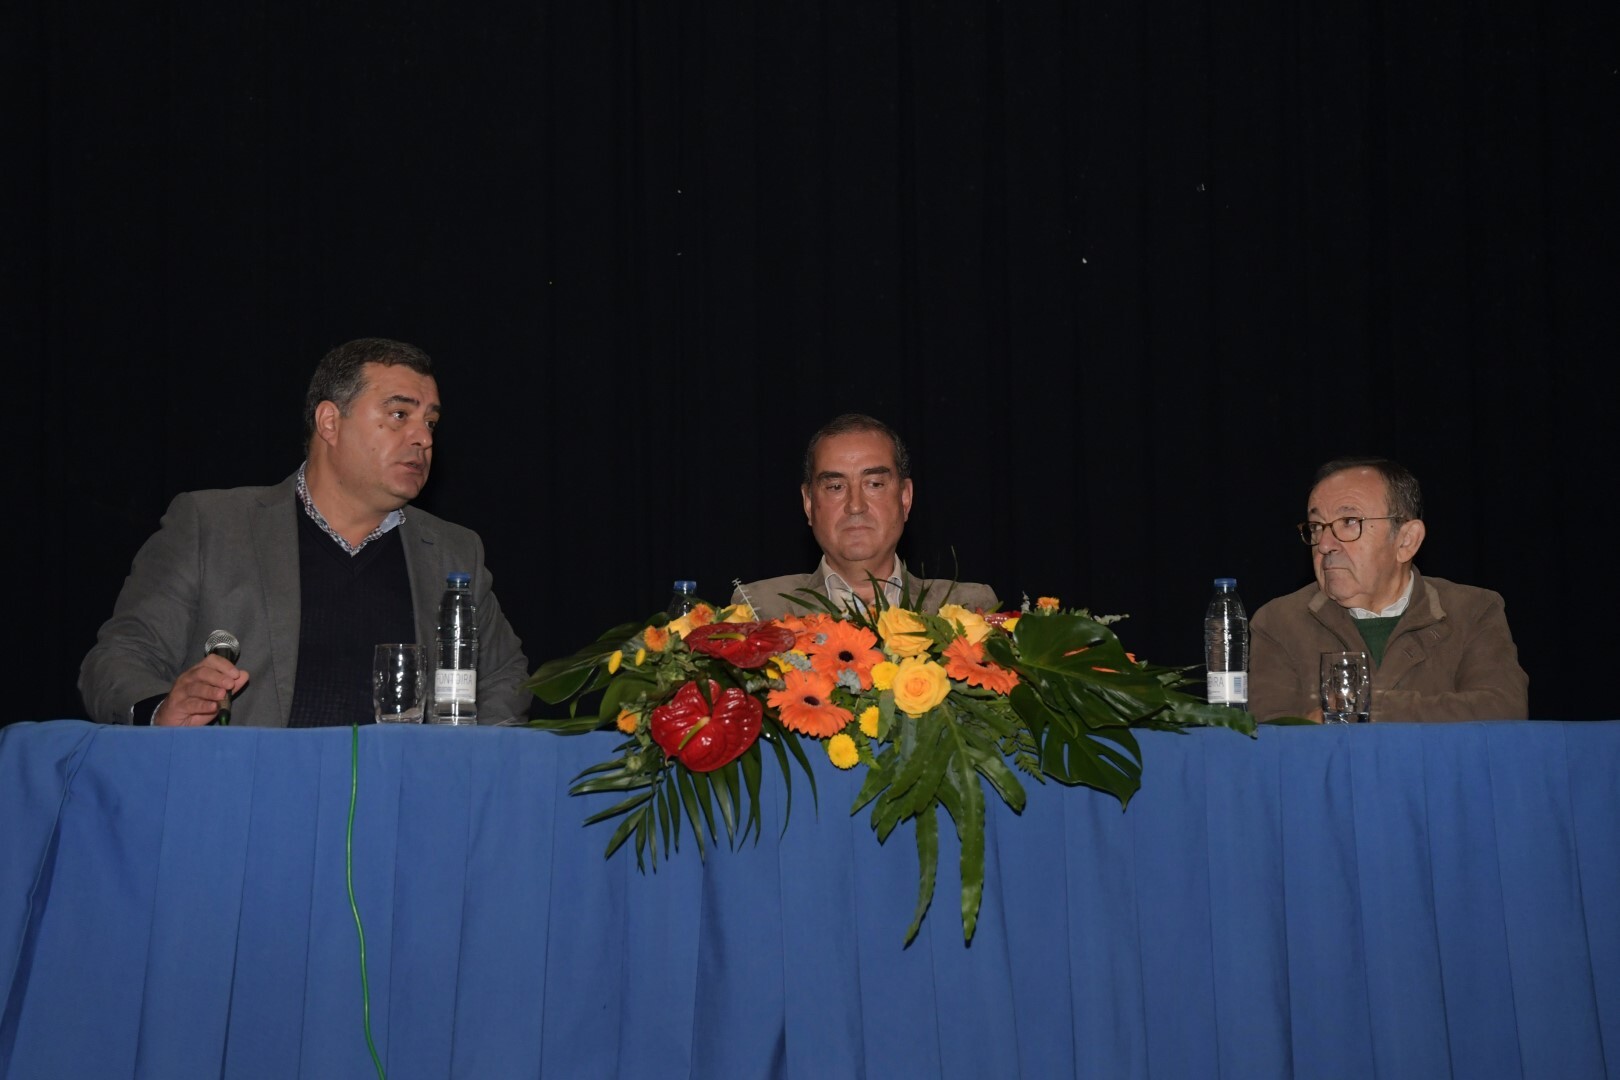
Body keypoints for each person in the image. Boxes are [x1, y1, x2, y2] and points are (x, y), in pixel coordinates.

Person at [79, 337, 531, 727]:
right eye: (399, 415)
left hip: (403, 807)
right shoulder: (213, 524)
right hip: (253, 801)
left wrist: (463, 762)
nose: (424, 438)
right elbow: (119, 658)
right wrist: (162, 710)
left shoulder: (452, 551)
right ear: (330, 422)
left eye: (430, 423)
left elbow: (505, 677)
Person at [1248, 456, 1528, 722]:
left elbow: (1503, 709)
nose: (1324, 544)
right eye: (1317, 526)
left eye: (1348, 523)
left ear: (1407, 540)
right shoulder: (1279, 622)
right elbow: (1271, 736)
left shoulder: (1472, 611)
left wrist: (1364, 710)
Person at [731, 413, 999, 620]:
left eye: (875, 484)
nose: (855, 506)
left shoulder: (967, 608)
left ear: (905, 498)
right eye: (836, 487)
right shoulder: (760, 608)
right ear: (809, 503)